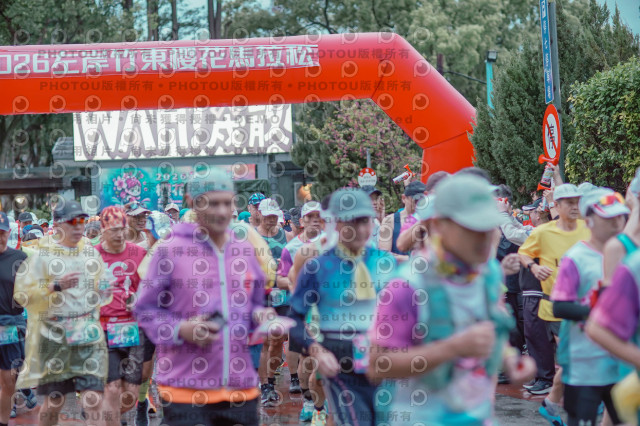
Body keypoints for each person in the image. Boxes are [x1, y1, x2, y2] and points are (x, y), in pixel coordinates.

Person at [367, 174, 535, 425]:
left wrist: (510, 360)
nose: (486, 237)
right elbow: (377, 365)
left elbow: (490, 330)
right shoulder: (407, 286)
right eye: (472, 228)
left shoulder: (488, 274)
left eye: (489, 226)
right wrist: (452, 348)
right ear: (440, 226)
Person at [134, 169, 275, 426]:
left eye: (227, 203)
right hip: (185, 388)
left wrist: (261, 317)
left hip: (239, 387)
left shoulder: (244, 249)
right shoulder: (170, 250)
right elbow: (145, 309)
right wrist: (180, 329)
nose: (222, 211)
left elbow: (254, 304)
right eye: (213, 203)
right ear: (192, 202)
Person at [289, 188, 397, 426]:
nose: (359, 229)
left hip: (382, 359)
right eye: (351, 221)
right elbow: (293, 317)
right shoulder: (317, 267)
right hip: (339, 361)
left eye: (364, 221)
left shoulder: (386, 263)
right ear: (336, 223)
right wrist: (317, 351)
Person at [13, 200, 110, 426]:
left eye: (82, 221)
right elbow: (23, 296)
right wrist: (55, 286)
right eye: (72, 221)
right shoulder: (42, 256)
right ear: (57, 224)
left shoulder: (90, 254)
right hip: (55, 337)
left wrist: (104, 292)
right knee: (55, 401)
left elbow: (102, 289)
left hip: (87, 336)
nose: (79, 227)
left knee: (93, 399)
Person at [551, 188, 628, 426]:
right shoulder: (575, 258)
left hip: (619, 360)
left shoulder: (628, 255)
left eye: (620, 216)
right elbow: (560, 308)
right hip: (583, 363)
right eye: (609, 217)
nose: (617, 222)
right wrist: (602, 313)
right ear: (590, 220)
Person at [518, 184, 590, 418]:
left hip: (587, 304)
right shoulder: (543, 232)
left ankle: (552, 403)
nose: (574, 206)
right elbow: (523, 253)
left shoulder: (588, 228)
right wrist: (534, 267)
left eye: (577, 201)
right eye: (569, 202)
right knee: (574, 355)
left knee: (577, 357)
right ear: (556, 205)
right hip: (556, 306)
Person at [95, 206, 148, 426]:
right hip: (104, 330)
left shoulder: (139, 253)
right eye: (113, 230)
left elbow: (149, 288)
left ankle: (102, 416)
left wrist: (139, 300)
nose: (119, 234)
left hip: (132, 330)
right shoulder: (92, 256)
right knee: (112, 388)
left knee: (130, 395)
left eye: (122, 229)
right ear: (103, 230)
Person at [276, 201, 324, 403]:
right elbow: (280, 279)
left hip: (327, 309)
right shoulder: (291, 248)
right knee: (306, 356)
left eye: (318, 217)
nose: (314, 221)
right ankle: (308, 401)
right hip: (303, 309)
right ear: (302, 221)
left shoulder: (331, 244)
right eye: (310, 217)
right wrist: (297, 284)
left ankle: (321, 403)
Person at [0, 211, 36, 426]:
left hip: (11, 325)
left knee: (9, 378)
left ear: (9, 233)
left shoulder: (19, 258)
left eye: (2, 232)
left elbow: (32, 291)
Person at [255, 197, 289, 407]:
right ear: (259, 214)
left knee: (278, 338)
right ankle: (266, 385)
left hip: (283, 293)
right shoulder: (251, 237)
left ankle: (270, 377)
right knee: (265, 340)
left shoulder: (286, 235)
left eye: (274, 216)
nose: (271, 220)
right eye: (267, 216)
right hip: (259, 293)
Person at [379, 181, 427, 261]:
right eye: (415, 200)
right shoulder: (389, 221)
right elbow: (384, 253)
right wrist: (411, 259)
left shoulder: (428, 220)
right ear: (404, 198)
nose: (418, 204)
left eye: (422, 200)